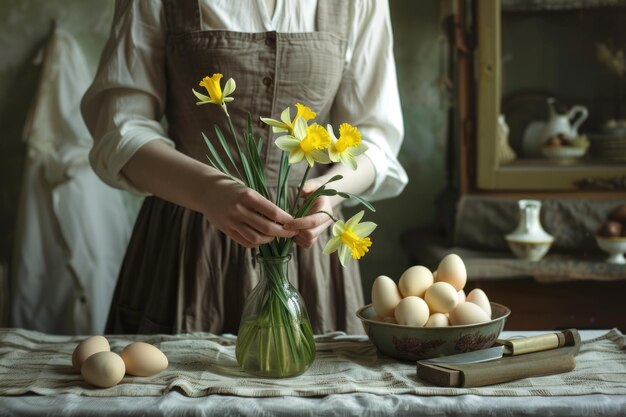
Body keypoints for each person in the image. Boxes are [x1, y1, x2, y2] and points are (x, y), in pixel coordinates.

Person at [81, 0, 407, 335]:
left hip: (307, 251)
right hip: (188, 247)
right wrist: (207, 191)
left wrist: (331, 192)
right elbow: (120, 129)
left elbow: (375, 139)